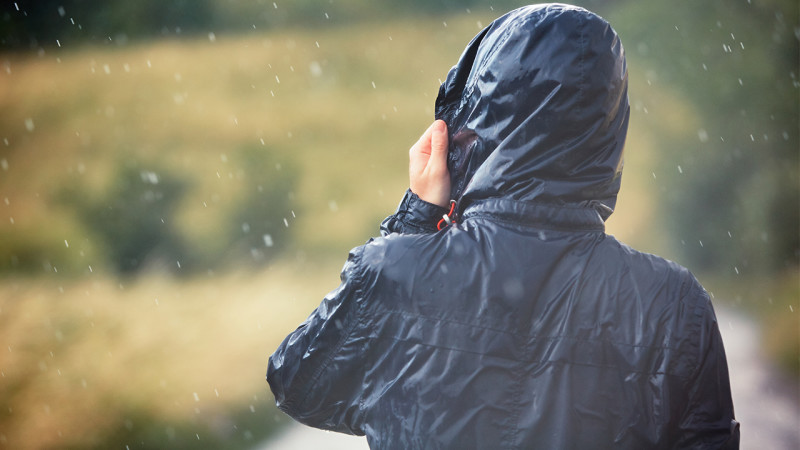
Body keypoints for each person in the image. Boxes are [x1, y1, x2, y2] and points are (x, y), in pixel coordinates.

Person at [267, 4, 739, 448]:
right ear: (610, 130)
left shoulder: (395, 273)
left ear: (470, 125)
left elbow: (300, 386)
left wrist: (416, 214)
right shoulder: (675, 302)